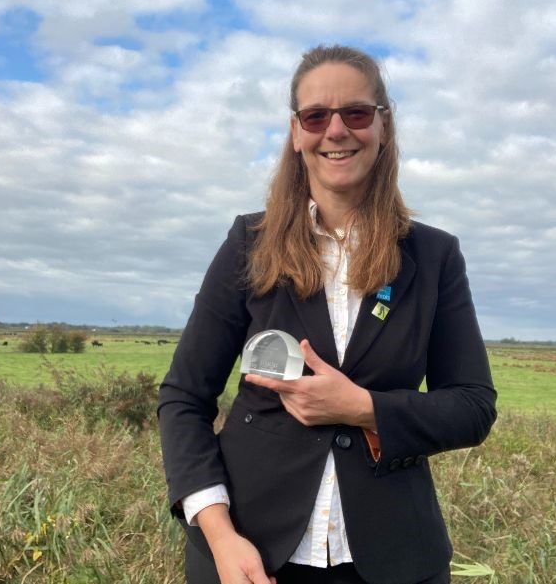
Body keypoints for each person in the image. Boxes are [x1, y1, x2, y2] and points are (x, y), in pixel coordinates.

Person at [158, 44, 497, 584]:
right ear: (297, 133)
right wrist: (220, 538)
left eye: (356, 113)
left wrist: (364, 408)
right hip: (249, 556)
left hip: (393, 560)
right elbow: (183, 397)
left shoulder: (434, 257)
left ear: (383, 127)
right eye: (316, 116)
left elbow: (474, 407)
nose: (335, 130)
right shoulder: (249, 243)